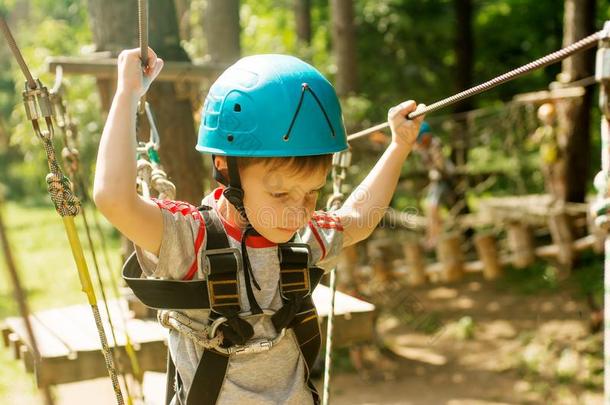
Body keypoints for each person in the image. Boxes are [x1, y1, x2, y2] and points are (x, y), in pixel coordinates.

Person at [93, 47, 425, 405]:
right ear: (225, 168)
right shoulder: (190, 241)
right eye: (280, 193)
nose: (298, 212)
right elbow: (114, 199)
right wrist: (127, 93)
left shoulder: (301, 243)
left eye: (313, 193)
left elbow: (358, 219)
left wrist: (398, 146)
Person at [412, 121, 461, 249]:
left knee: (432, 207)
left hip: (444, 180)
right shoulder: (424, 147)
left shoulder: (435, 145)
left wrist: (432, 158)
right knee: (430, 208)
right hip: (437, 181)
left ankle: (435, 237)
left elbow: (440, 166)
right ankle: (431, 236)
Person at [530, 102, 565, 200]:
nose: (547, 119)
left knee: (558, 177)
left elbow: (559, 137)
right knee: (548, 177)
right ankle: (552, 196)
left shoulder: (555, 129)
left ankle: (560, 196)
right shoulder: (541, 130)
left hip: (556, 156)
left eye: (549, 117)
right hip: (545, 156)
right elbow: (535, 141)